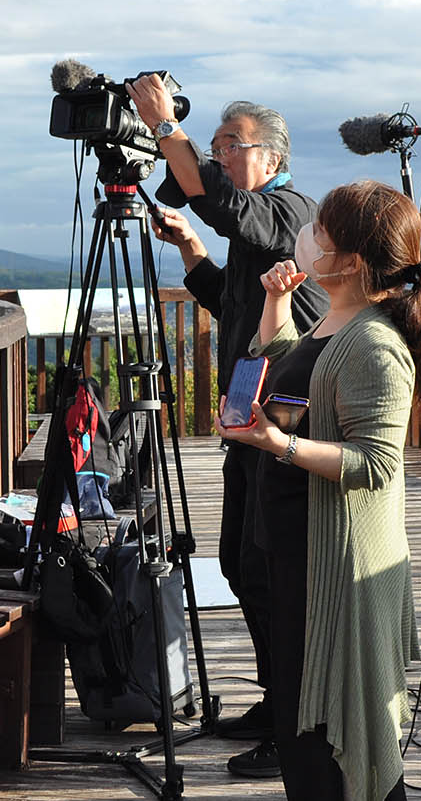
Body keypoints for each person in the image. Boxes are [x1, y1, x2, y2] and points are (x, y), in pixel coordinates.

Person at [218, 180, 421, 801]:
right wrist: (273, 303)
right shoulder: (334, 316)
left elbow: (376, 460)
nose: (310, 238)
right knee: (305, 728)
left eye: (322, 231)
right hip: (296, 550)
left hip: (336, 568)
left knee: (332, 737)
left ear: (350, 259)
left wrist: (278, 445)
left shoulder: (375, 343)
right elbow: (291, 364)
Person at [128, 75, 327, 777]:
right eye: (211, 144)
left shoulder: (291, 211)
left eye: (228, 145)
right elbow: (233, 304)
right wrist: (189, 252)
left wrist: (164, 128)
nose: (215, 155)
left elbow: (225, 204)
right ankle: (279, 700)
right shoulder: (256, 225)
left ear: (271, 157)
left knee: (275, 571)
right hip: (249, 420)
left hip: (285, 421)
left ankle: (299, 726)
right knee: (245, 566)